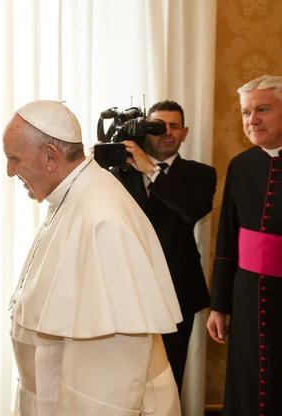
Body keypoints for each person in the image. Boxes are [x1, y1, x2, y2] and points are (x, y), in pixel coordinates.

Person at [4, 100, 183, 415]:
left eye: (14, 159)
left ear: (50, 156)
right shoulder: (73, 196)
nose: (10, 171)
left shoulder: (103, 220)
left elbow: (109, 383)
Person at [105, 100, 216, 392]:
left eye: (174, 126)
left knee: (168, 378)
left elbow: (192, 210)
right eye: (157, 126)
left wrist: (152, 170)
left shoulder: (199, 173)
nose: (166, 132)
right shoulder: (120, 172)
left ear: (185, 132)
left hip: (178, 289)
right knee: (124, 378)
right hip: (125, 288)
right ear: (144, 131)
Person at [207, 74, 282, 416]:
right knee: (249, 381)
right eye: (246, 112)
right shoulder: (241, 165)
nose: (252, 120)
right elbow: (227, 241)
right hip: (248, 295)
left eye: (263, 109)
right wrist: (219, 305)